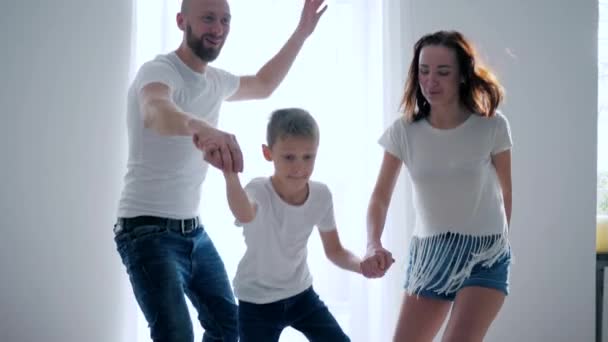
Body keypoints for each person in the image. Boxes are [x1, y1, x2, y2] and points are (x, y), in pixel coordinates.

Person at [113, 0, 327, 341]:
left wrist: (301, 33)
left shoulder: (215, 81)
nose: (218, 28)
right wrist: (202, 128)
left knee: (229, 327)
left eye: (225, 20)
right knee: (175, 333)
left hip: (193, 233)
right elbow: (156, 112)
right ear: (182, 21)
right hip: (145, 231)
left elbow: (263, 83)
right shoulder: (160, 71)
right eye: (208, 19)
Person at [361, 30, 513, 342]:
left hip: (486, 253)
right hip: (431, 254)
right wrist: (373, 242)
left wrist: (500, 242)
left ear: (461, 76)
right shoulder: (405, 131)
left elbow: (506, 192)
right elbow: (379, 197)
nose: (431, 81)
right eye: (423, 71)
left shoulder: (492, 125)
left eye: (443, 72)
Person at [222, 108, 361, 342]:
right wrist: (230, 175)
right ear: (268, 153)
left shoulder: (321, 195)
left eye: (308, 157)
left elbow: (335, 251)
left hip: (301, 295)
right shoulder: (258, 190)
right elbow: (244, 213)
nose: (299, 168)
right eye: (289, 157)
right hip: (257, 302)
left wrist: (361, 265)